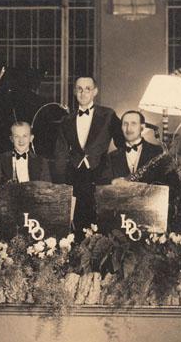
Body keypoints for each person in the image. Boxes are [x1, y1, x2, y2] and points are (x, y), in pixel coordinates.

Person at [54, 76, 125, 241]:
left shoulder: (107, 114)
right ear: (74, 92)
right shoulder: (66, 120)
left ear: (95, 92)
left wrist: (116, 173)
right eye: (79, 88)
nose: (83, 92)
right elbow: (60, 152)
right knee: (75, 225)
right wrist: (60, 184)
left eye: (87, 88)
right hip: (75, 177)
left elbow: (122, 144)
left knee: (101, 224)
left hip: (100, 175)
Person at [101, 110, 165, 184]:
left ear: (142, 127)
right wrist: (113, 181)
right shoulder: (111, 157)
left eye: (133, 124)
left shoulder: (158, 152)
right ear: (121, 127)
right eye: (125, 124)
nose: (129, 129)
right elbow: (102, 183)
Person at [0, 121, 51, 187]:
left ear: (31, 138)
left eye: (25, 136)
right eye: (16, 136)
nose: (21, 140)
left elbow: (47, 188)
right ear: (11, 139)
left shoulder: (41, 161)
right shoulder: (1, 159)